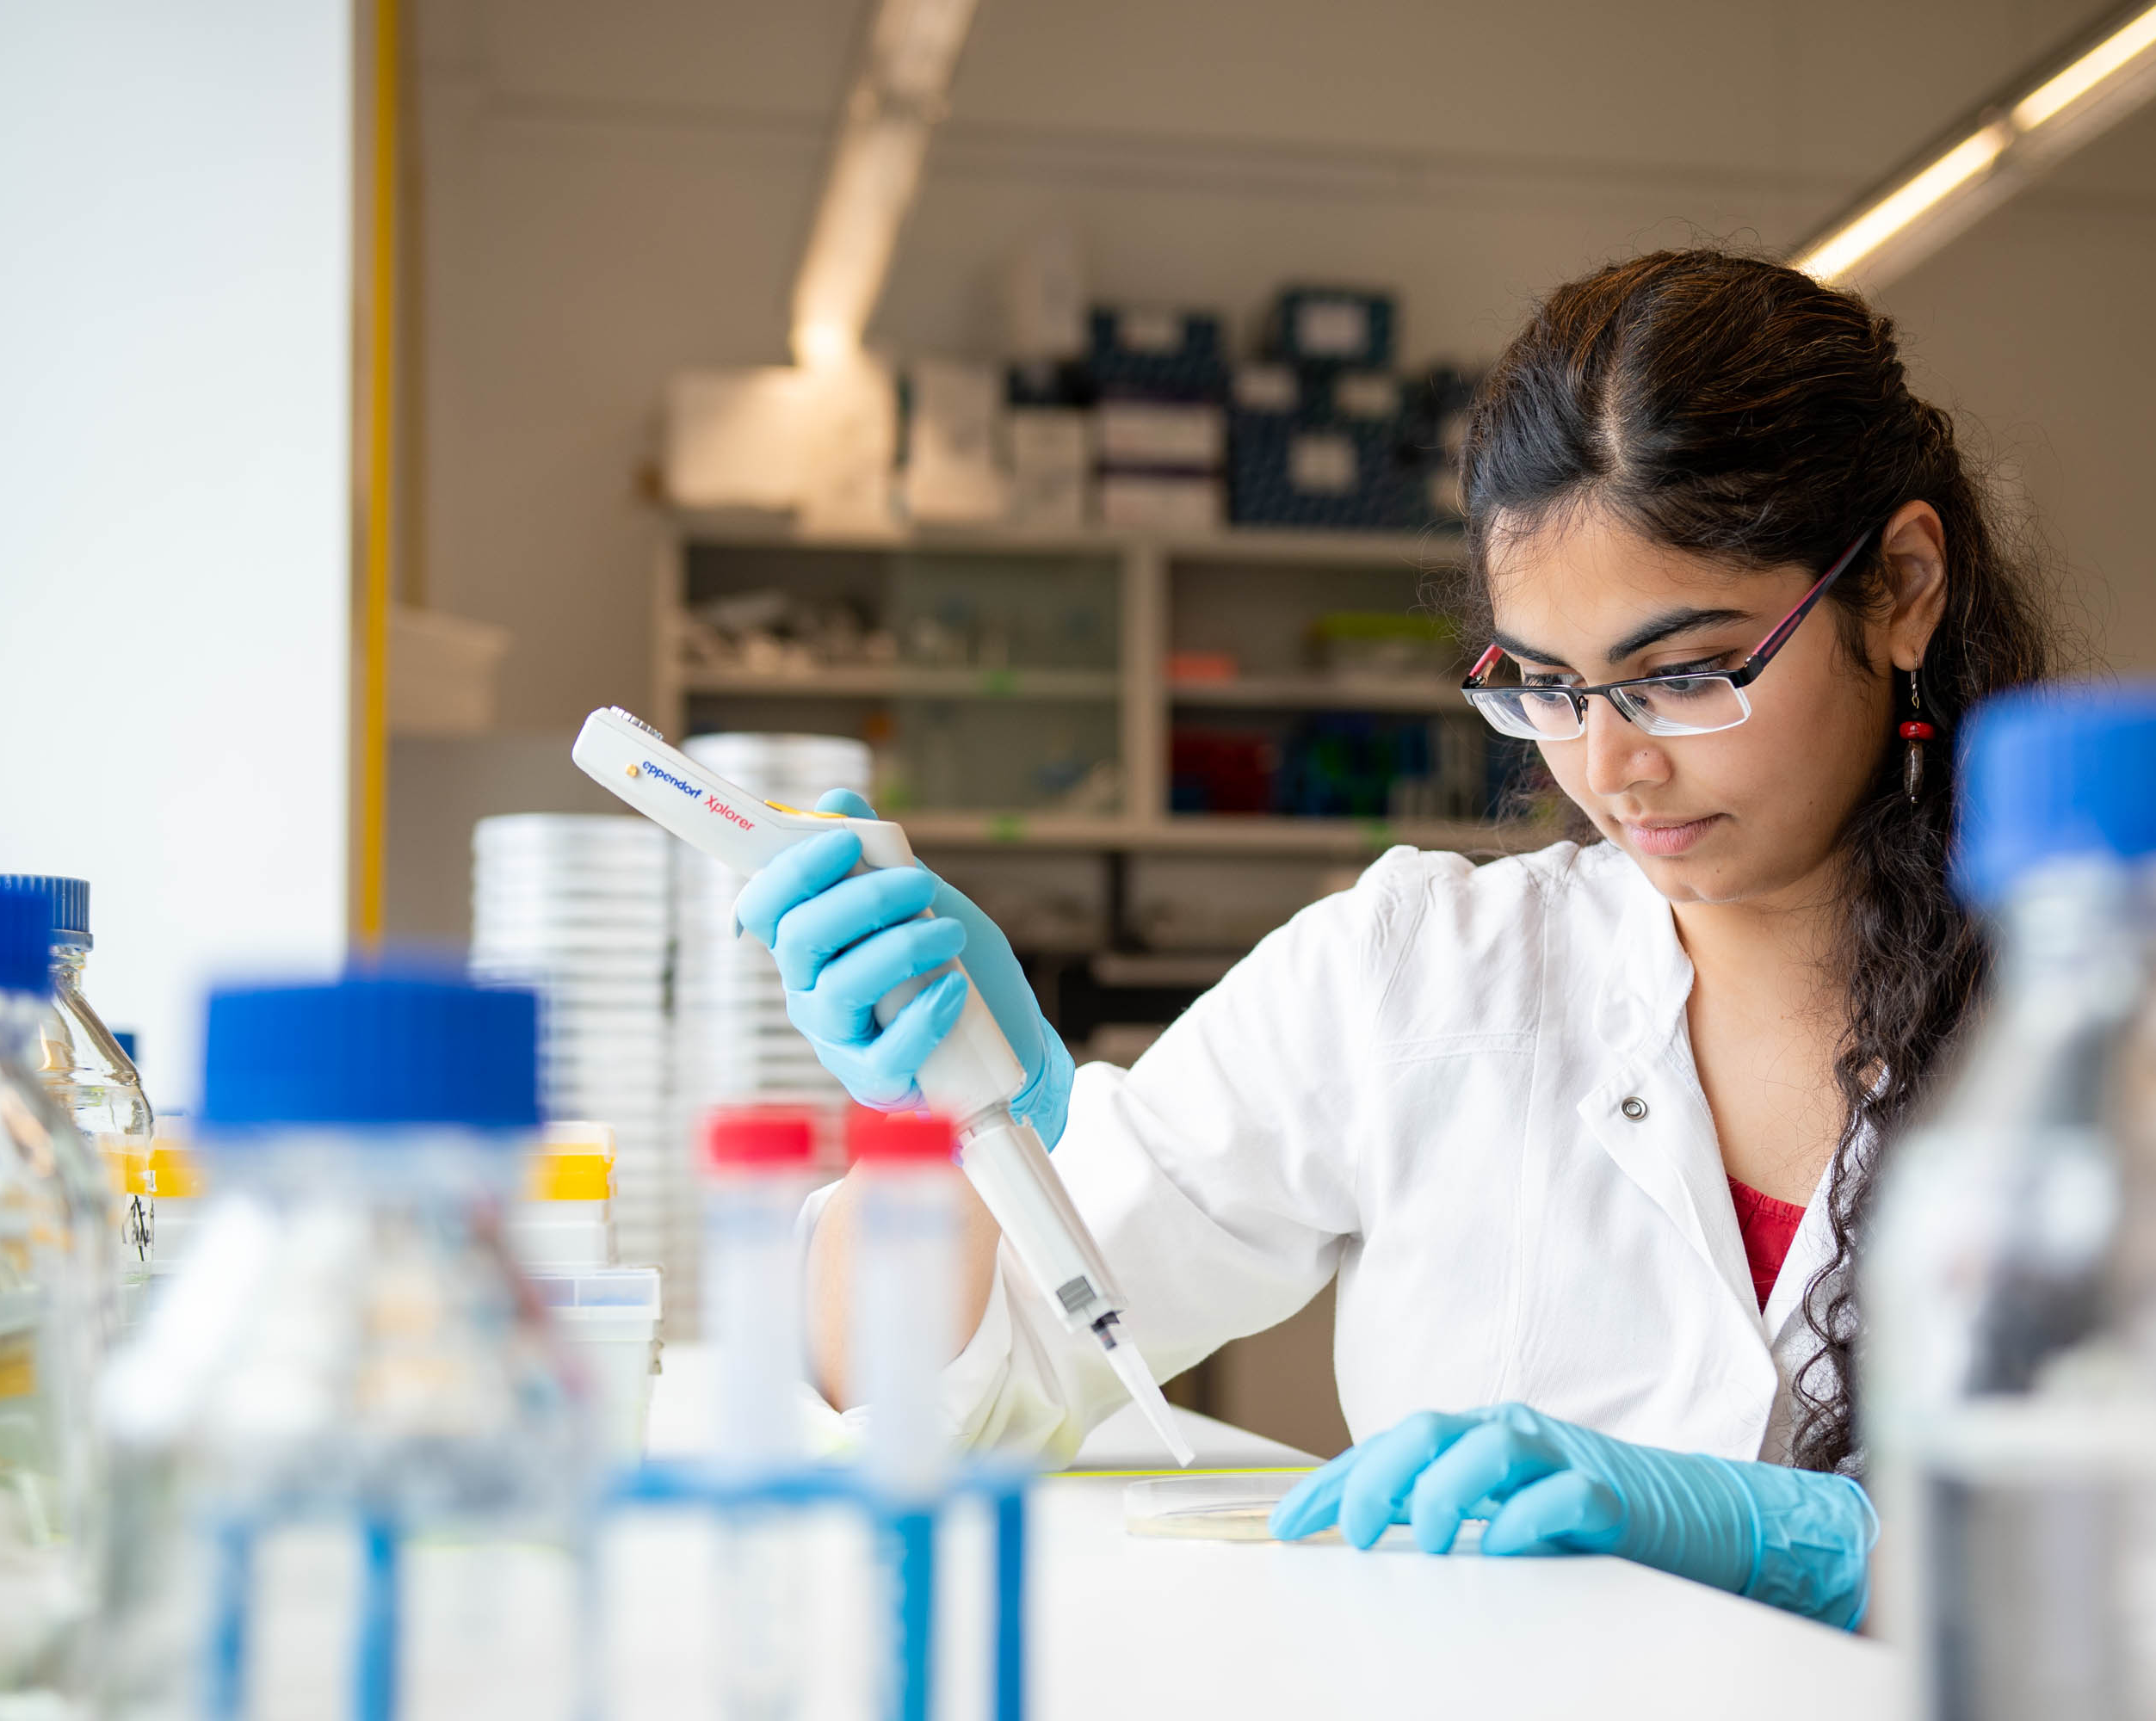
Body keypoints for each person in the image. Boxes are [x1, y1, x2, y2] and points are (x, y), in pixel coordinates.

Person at [736, 249, 2059, 1629]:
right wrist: (946, 1123)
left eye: (1683, 674)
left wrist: (1830, 1546)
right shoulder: (1413, 974)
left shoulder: (2105, 1018)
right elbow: (942, 1402)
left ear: (1902, 586)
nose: (1611, 767)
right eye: (1547, 686)